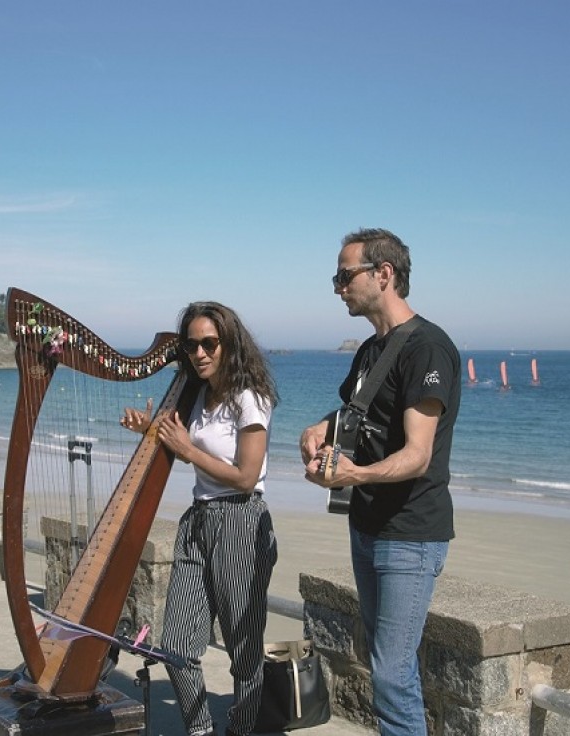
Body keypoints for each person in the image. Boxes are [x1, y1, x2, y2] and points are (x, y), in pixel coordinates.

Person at [299, 228, 461, 736]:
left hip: (410, 533)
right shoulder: (372, 348)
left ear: (383, 274)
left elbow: (418, 455)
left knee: (392, 674)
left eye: (345, 276)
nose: (337, 287)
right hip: (367, 526)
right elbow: (356, 409)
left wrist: (354, 473)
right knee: (384, 664)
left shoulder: (427, 349)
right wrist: (321, 427)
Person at [121, 301, 279, 736]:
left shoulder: (251, 398)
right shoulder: (197, 396)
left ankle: (241, 729)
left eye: (209, 343)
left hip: (241, 522)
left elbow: (247, 477)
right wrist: (150, 431)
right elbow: (185, 446)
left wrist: (187, 449)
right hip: (198, 521)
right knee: (175, 647)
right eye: (191, 345)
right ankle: (202, 729)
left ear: (229, 343)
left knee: (243, 651)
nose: (200, 353)